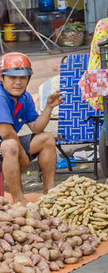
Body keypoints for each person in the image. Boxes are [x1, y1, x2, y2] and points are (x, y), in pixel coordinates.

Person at [0, 53, 62, 204]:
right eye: (12, 78)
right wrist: (23, 155)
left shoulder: (25, 97)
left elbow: (36, 128)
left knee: (46, 139)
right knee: (11, 144)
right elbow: (7, 133)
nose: (18, 82)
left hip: (8, 146)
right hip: (7, 144)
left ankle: (49, 193)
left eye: (23, 77)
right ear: (1, 78)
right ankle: (18, 199)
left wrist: (48, 107)